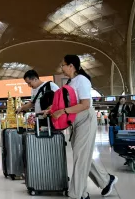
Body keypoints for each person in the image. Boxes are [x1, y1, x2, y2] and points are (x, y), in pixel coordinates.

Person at [47, 55, 117, 199]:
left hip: (85, 119)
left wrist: (63, 111)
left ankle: (78, 194)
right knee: (82, 155)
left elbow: (85, 104)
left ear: (71, 66)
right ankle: (106, 180)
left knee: (80, 156)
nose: (62, 68)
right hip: (76, 121)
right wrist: (53, 110)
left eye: (63, 65)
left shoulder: (82, 80)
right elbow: (69, 103)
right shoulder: (72, 81)